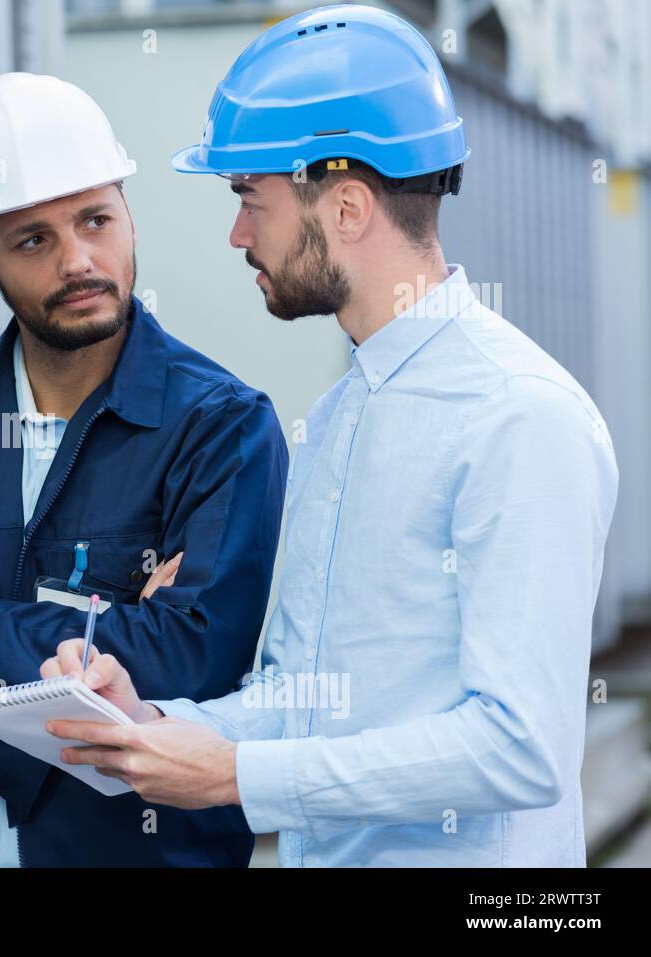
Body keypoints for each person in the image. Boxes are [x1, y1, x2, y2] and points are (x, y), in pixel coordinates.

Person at [46, 4, 618, 867]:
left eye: (250, 198)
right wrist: (160, 723)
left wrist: (240, 775)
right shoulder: (343, 414)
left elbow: (519, 746)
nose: (238, 234)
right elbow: (306, 700)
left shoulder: (520, 416)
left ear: (347, 205)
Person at [0, 73, 287, 867]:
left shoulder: (223, 428)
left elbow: (192, 659)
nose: (79, 260)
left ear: (131, 220)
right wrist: (93, 641)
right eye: (33, 239)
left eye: (96, 220)